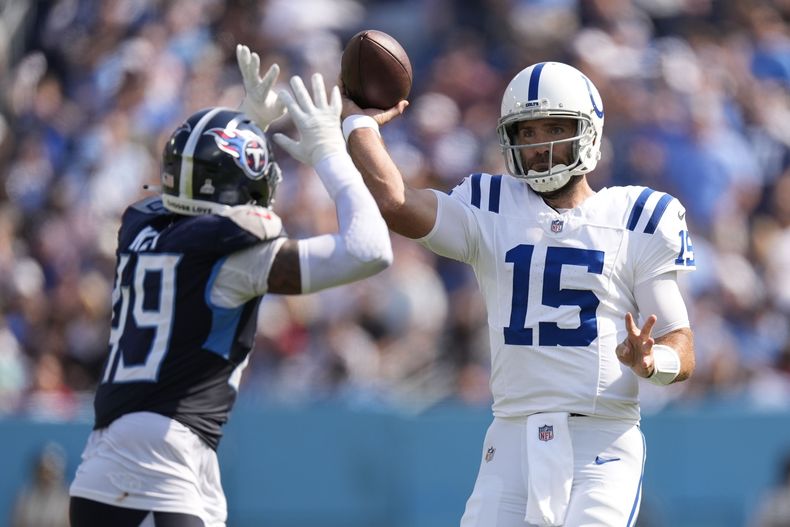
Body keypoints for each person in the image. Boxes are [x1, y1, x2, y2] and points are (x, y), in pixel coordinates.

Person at [339, 60, 696, 526]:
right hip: (511, 439)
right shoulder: (490, 205)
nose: (539, 145)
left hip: (601, 442)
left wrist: (652, 362)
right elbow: (396, 202)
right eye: (526, 132)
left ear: (588, 131)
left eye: (553, 127)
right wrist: (358, 124)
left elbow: (681, 347)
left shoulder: (638, 217)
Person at [68, 45, 393, 527]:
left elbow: (202, 201)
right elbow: (371, 250)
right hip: (158, 463)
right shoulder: (233, 257)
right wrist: (330, 152)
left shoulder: (143, 226)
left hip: (117, 461)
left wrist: (245, 124)